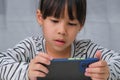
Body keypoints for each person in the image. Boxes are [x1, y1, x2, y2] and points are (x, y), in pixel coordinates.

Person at [0, 0, 120, 80]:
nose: (62, 31)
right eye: (55, 21)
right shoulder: (30, 47)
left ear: (81, 25)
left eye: (71, 23)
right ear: (40, 18)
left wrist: (108, 72)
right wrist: (26, 72)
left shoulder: (87, 50)